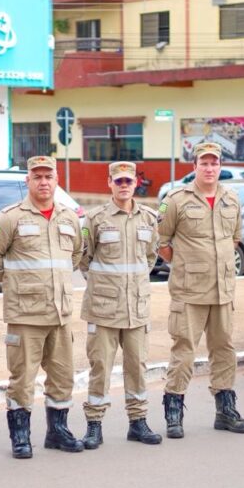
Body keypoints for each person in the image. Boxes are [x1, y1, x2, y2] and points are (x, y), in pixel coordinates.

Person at [0, 155, 85, 458]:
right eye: (37, 177)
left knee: (63, 377)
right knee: (22, 379)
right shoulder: (9, 218)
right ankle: (21, 437)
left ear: (57, 180)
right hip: (26, 315)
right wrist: (19, 286)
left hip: (60, 313)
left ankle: (57, 432)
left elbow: (75, 256)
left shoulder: (69, 218)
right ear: (27, 180)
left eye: (48, 176)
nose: (43, 182)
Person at [157, 141, 244, 438]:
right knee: (183, 350)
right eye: (204, 163)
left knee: (224, 349)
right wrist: (186, 264)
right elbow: (162, 242)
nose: (210, 168)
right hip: (189, 291)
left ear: (220, 166)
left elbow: (234, 239)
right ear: (194, 166)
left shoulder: (231, 198)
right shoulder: (176, 200)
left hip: (223, 290)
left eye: (214, 163)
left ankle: (225, 410)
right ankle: (174, 412)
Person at [78, 161, 163, 449]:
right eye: (119, 181)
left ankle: (138, 423)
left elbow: (150, 257)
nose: (124, 185)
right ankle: (94, 425)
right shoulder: (95, 219)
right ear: (110, 183)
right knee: (100, 367)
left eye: (128, 181)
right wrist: (105, 286)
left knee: (137, 367)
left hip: (136, 309)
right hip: (103, 309)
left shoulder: (148, 219)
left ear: (136, 183)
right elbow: (84, 259)